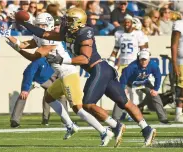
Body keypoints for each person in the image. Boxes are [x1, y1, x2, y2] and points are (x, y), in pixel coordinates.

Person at [16, 7, 157, 147]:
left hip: (99, 69)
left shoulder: (85, 32)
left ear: (78, 22)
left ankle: (116, 126)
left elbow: (84, 58)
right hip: (100, 70)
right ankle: (146, 128)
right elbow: (45, 34)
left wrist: (62, 60)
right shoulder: (67, 31)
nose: (66, 22)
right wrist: (24, 23)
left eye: (70, 20)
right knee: (123, 102)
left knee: (88, 104)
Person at [6, 12, 115, 146]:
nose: (39, 27)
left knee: (78, 109)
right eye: (38, 24)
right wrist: (10, 37)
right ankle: (70, 125)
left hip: (68, 74)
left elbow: (33, 57)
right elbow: (24, 44)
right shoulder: (41, 36)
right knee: (49, 98)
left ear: (49, 25)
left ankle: (104, 131)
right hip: (61, 75)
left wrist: (16, 48)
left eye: (42, 25)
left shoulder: (50, 39)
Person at [108, 15, 148, 121]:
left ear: (132, 23)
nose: (126, 24)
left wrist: (142, 64)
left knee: (133, 90)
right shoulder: (119, 34)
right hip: (123, 65)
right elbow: (116, 49)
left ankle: (131, 113)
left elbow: (144, 50)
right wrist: (111, 61)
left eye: (128, 22)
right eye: (125, 22)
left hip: (134, 64)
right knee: (123, 90)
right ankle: (126, 112)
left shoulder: (138, 34)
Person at [10, 59, 69, 128]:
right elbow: (28, 72)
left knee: (60, 95)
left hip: (46, 79)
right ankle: (15, 120)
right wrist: (25, 88)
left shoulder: (56, 61)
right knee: (23, 95)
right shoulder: (39, 60)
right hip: (33, 79)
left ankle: (65, 120)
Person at [120, 49, 169, 124]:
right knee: (119, 96)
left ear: (149, 59)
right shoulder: (132, 66)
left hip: (144, 83)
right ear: (138, 59)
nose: (143, 62)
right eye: (142, 60)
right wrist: (123, 89)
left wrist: (155, 89)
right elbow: (124, 77)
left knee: (156, 96)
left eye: (145, 60)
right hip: (130, 83)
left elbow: (158, 77)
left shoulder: (153, 65)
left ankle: (163, 119)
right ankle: (115, 118)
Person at [171, 19, 183, 122]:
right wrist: (174, 63)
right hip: (181, 62)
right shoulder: (179, 24)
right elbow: (174, 45)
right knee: (181, 88)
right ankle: (178, 113)